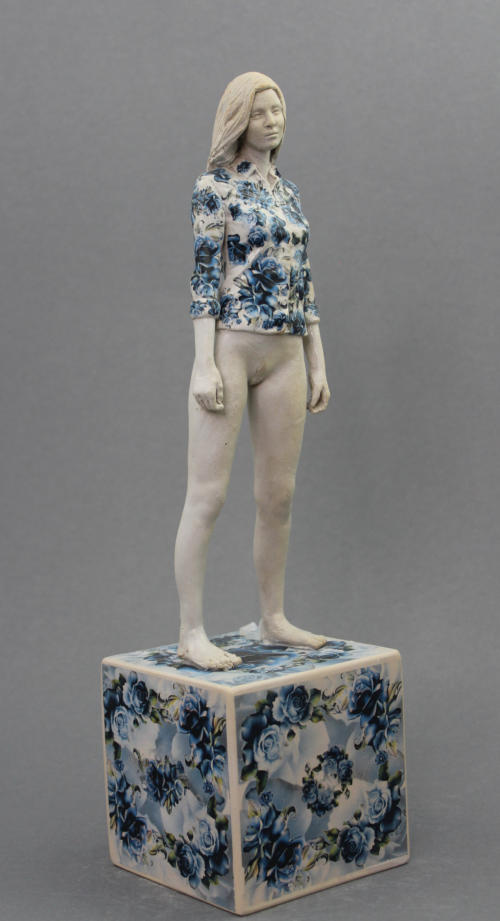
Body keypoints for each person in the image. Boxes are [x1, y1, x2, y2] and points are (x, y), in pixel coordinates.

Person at [174, 72, 331, 670]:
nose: (273, 121)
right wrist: (202, 364)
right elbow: (203, 279)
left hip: (286, 350)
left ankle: (272, 617)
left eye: (278, 110)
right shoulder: (214, 188)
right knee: (207, 495)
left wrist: (317, 360)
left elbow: (304, 281)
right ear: (239, 118)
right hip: (232, 348)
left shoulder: (288, 193)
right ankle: (191, 631)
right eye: (261, 112)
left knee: (277, 495)